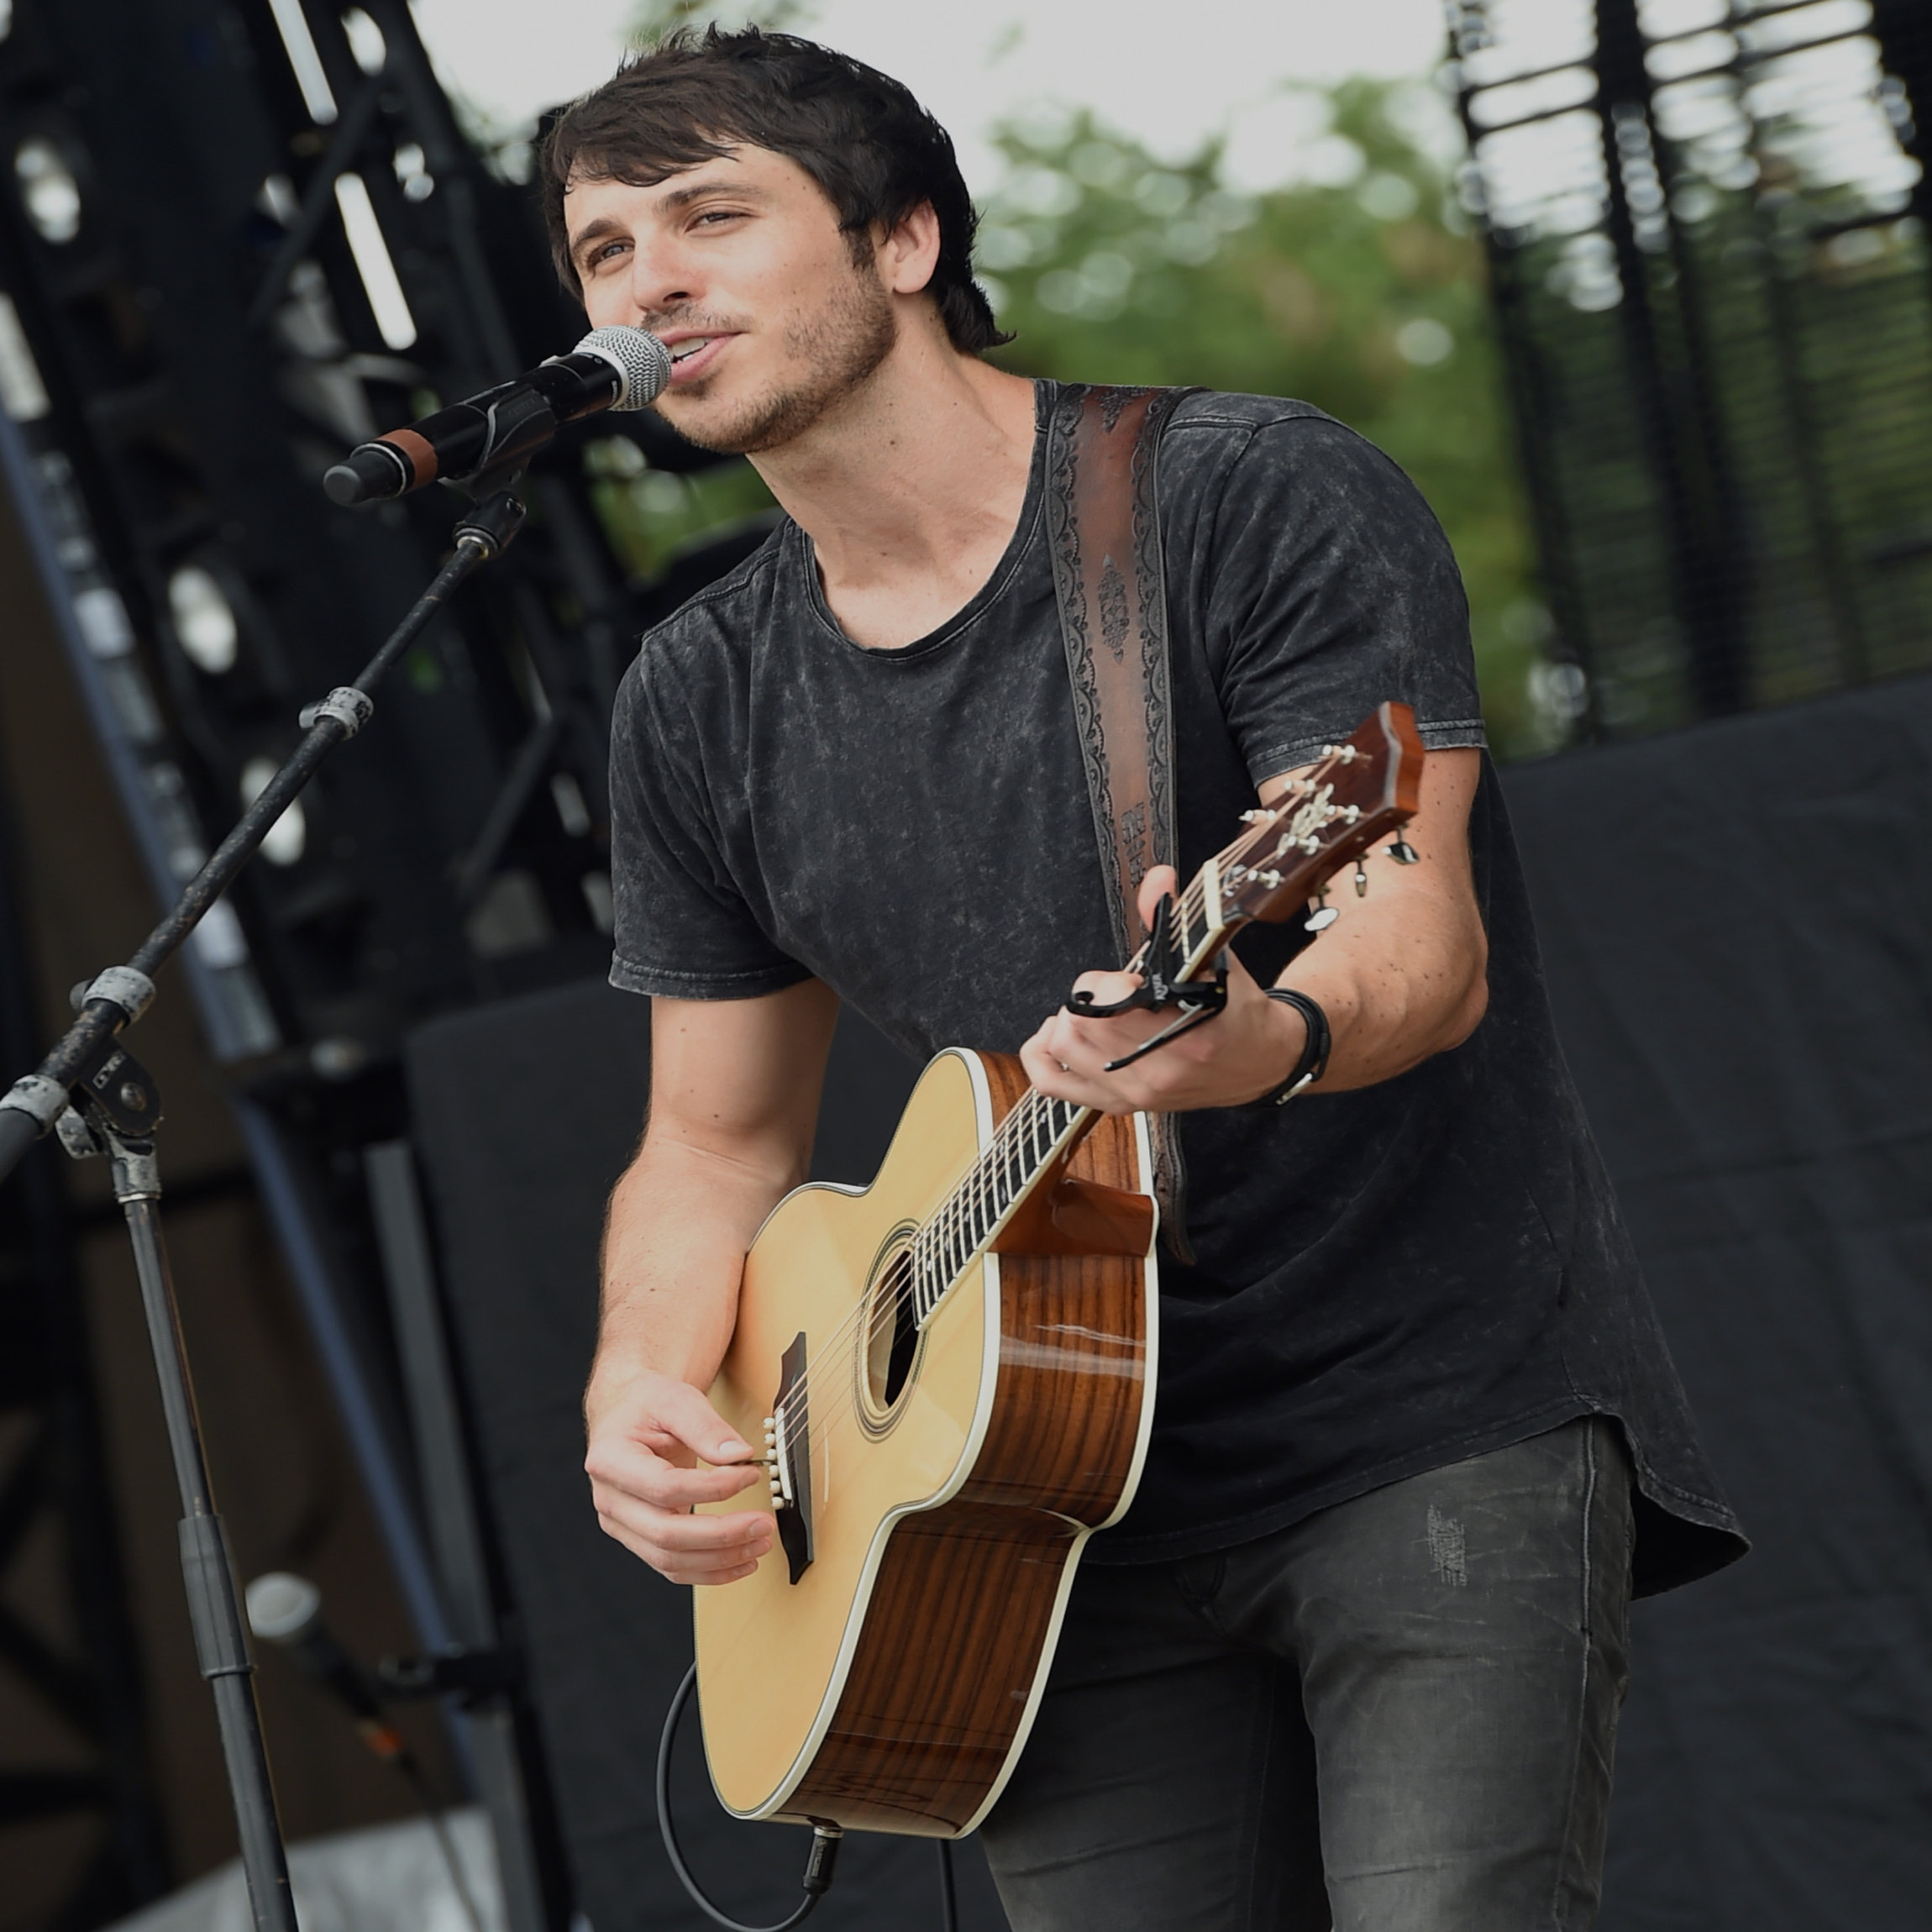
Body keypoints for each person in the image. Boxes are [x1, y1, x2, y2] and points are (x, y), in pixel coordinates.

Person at [548, 28, 1745, 1930]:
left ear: (905, 238)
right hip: (1013, 1520)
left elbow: (1412, 939)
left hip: (1416, 1412)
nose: (648, 282)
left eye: (710, 217)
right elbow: (709, 1144)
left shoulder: (1242, 497)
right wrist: (640, 1379)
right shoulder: (697, 697)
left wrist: (1263, 1037)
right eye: (604, 253)